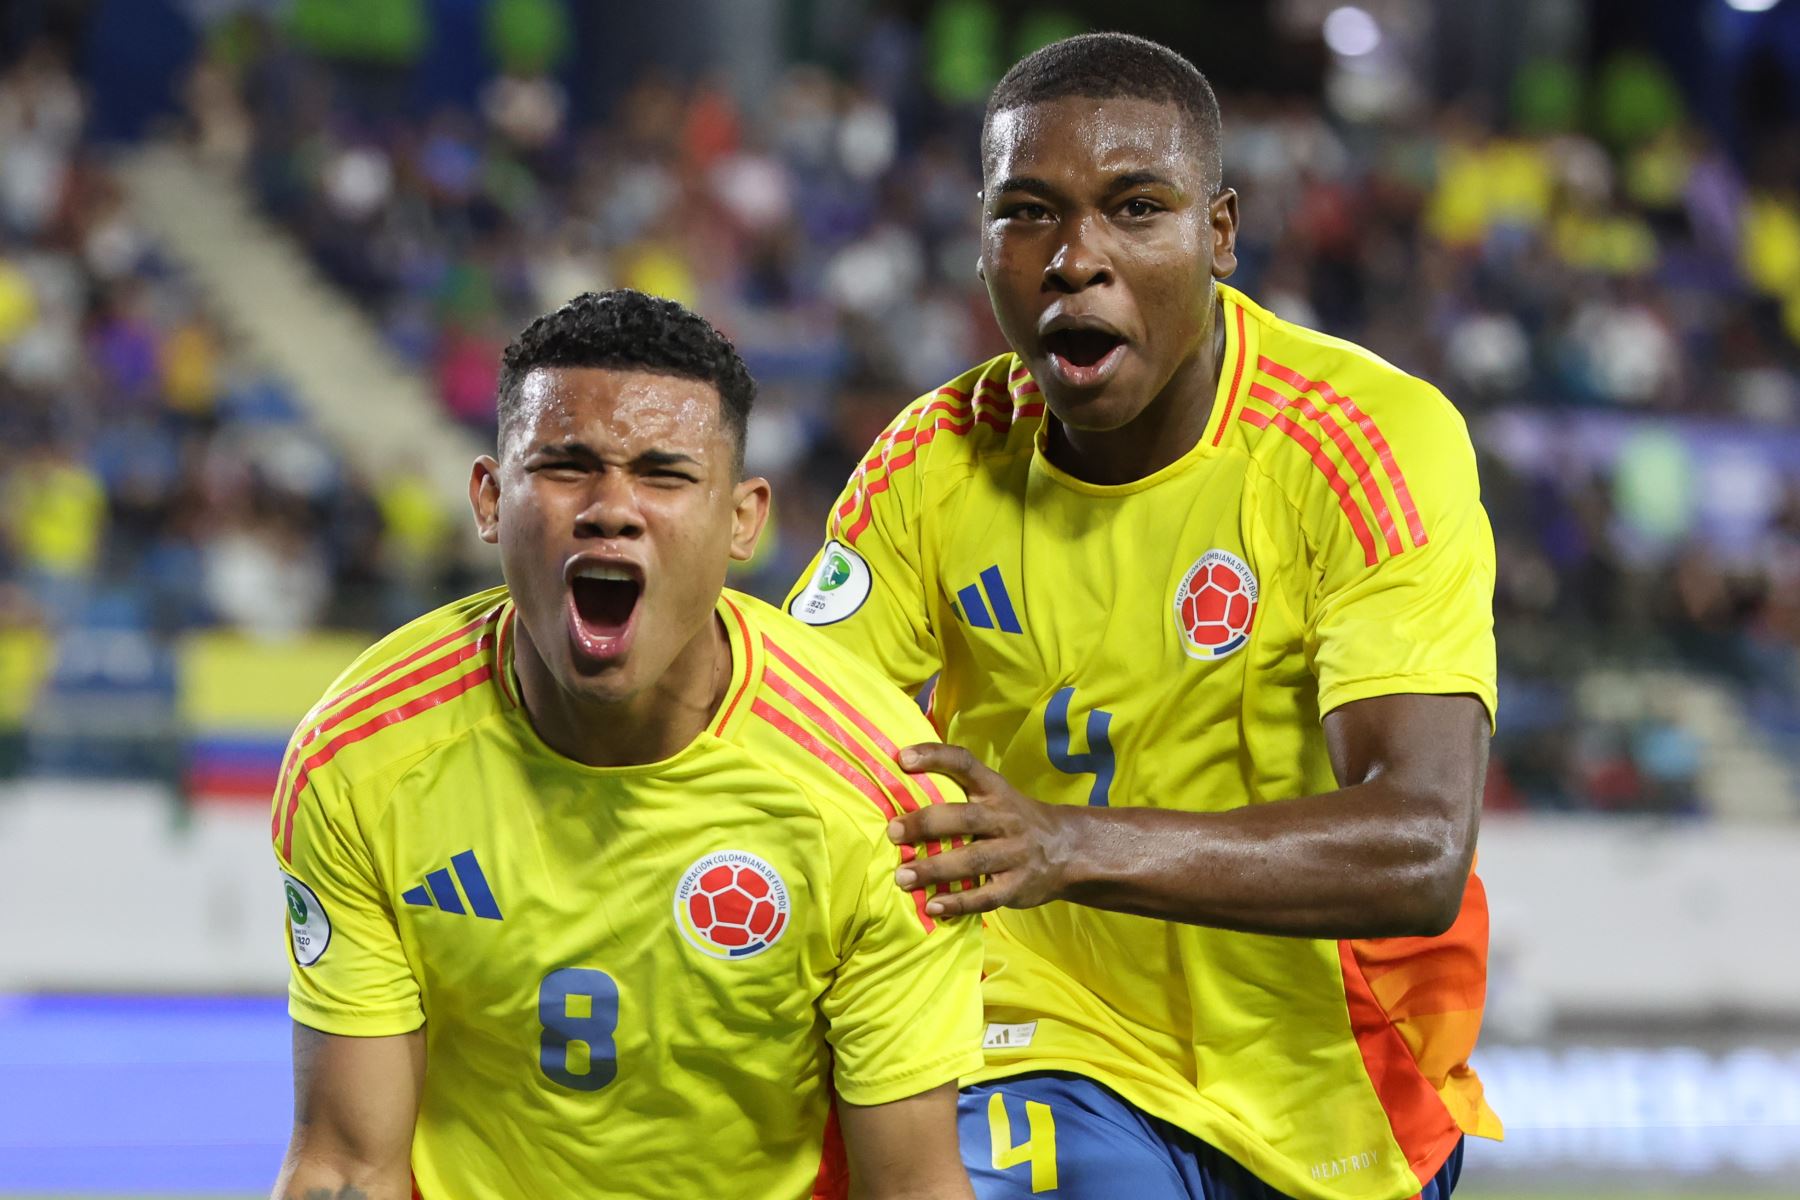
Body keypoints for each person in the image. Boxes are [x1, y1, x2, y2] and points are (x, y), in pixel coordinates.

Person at [786, 33, 1499, 1200]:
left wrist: (1065, 846)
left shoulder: (1365, 442)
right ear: (979, 241)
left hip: (1332, 1084)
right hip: (1031, 1039)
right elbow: (782, 745)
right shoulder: (930, 462)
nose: (1076, 259)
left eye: (1134, 208)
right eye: (1028, 214)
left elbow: (1419, 843)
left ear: (1218, 235)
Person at [270, 289, 982, 1200]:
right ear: (489, 499)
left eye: (665, 474)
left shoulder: (885, 795)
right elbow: (345, 1163)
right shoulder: (358, 760)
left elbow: (912, 1185)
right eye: (566, 466)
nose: (612, 509)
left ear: (743, 520)